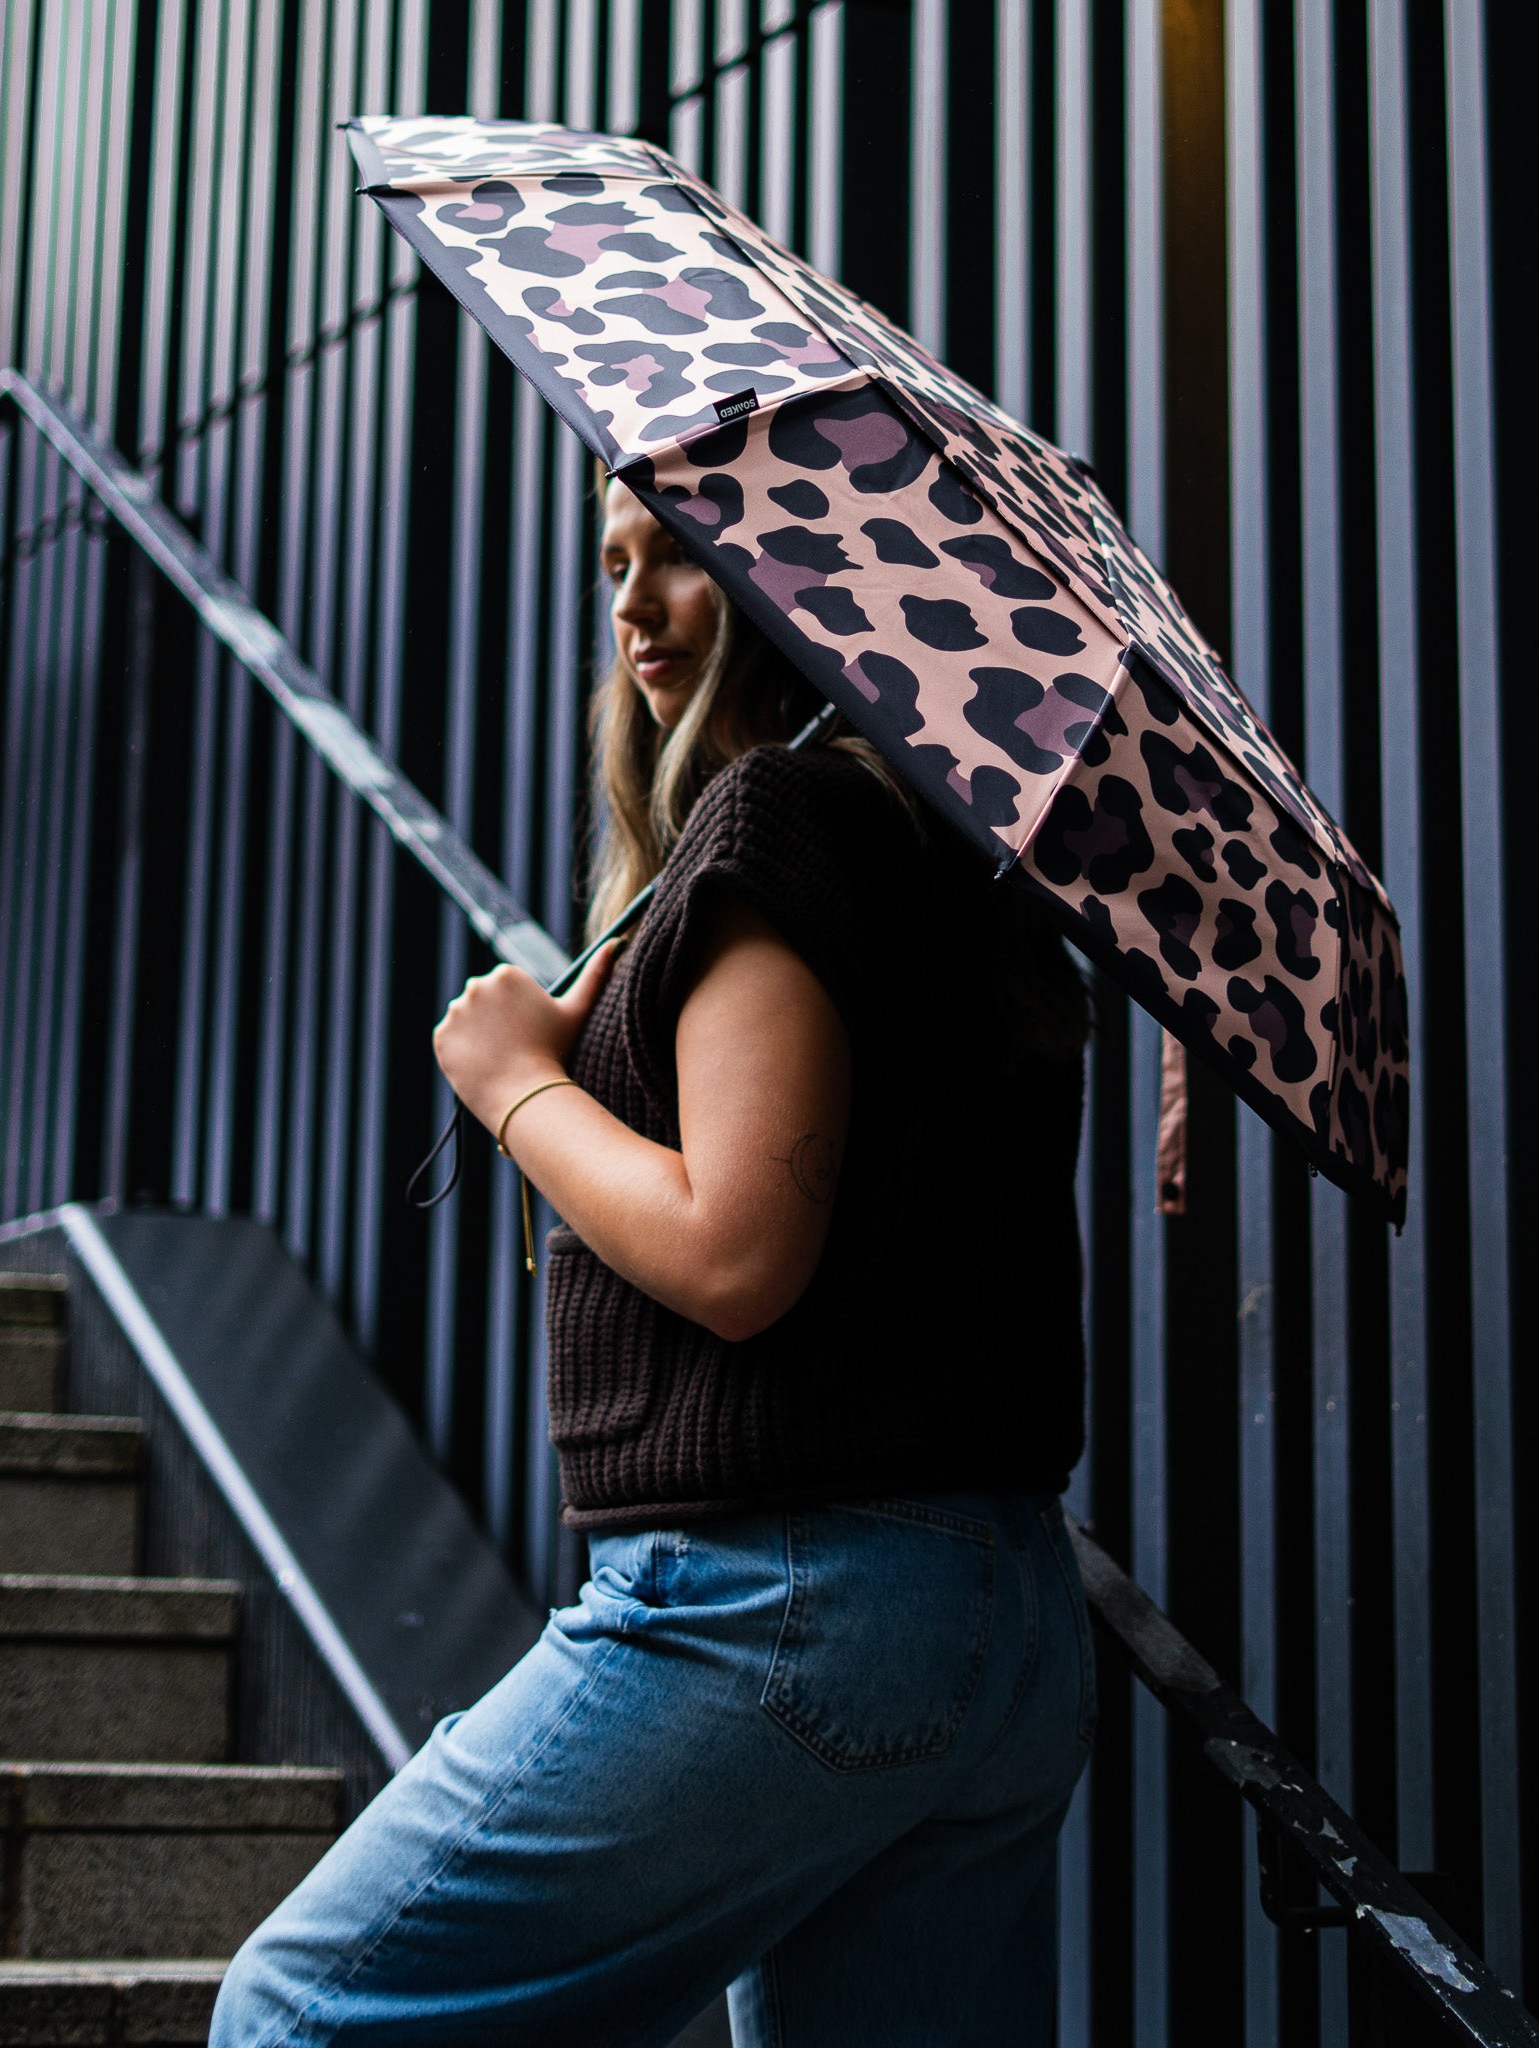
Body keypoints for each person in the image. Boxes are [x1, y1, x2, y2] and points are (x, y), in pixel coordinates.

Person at [211, 475, 1096, 2048]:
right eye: (615, 562)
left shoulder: (777, 819)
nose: (631, 605)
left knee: (305, 2011)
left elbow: (736, 1250)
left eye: (683, 560)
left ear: (795, 576)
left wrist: (515, 1084)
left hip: (775, 1601)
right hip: (1004, 1626)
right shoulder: (956, 877)